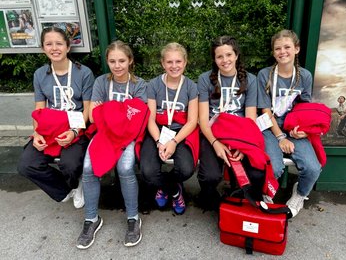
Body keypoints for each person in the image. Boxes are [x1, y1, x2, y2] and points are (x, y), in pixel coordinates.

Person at [76, 40, 147, 249]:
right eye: (112, 61)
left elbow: (137, 117)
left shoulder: (139, 84)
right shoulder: (100, 82)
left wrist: (108, 109)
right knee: (88, 168)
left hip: (128, 136)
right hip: (104, 133)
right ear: (107, 62)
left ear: (130, 61)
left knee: (125, 167)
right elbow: (93, 115)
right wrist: (120, 111)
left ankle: (133, 218)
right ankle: (91, 219)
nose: (117, 66)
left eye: (122, 61)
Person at [18, 27, 94, 208]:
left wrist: (74, 132)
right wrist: (36, 133)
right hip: (48, 128)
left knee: (70, 164)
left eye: (59, 43)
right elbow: (39, 108)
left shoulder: (83, 73)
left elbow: (87, 108)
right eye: (49, 44)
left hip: (75, 127)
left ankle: (77, 182)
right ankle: (65, 189)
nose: (54, 48)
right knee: (26, 165)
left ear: (68, 47)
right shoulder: (40, 74)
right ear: (43, 48)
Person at [257, 29, 322, 218]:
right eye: (278, 48)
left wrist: (302, 130)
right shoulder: (265, 75)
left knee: (312, 168)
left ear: (297, 49)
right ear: (273, 52)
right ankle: (267, 192)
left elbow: (304, 106)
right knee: (274, 167)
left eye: (287, 47)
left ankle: (300, 193)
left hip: (293, 126)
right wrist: (280, 137)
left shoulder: (305, 76)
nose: (282, 51)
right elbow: (265, 110)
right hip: (270, 127)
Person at [197, 36, 265, 211]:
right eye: (219, 56)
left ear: (236, 55)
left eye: (228, 54)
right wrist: (215, 143)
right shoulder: (205, 79)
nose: (225, 60)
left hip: (240, 134)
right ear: (214, 59)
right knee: (209, 176)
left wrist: (243, 146)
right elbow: (203, 119)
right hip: (214, 132)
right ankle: (213, 200)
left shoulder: (250, 79)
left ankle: (240, 201)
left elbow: (250, 119)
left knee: (256, 173)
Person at [140, 42, 199, 215]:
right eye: (169, 62)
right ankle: (173, 190)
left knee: (187, 169)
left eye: (178, 61)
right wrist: (159, 141)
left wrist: (173, 141)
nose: (174, 66)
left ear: (185, 62)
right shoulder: (153, 85)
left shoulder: (190, 86)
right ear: (162, 63)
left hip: (180, 133)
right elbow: (150, 118)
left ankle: (166, 186)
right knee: (148, 171)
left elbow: (192, 121)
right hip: (157, 131)